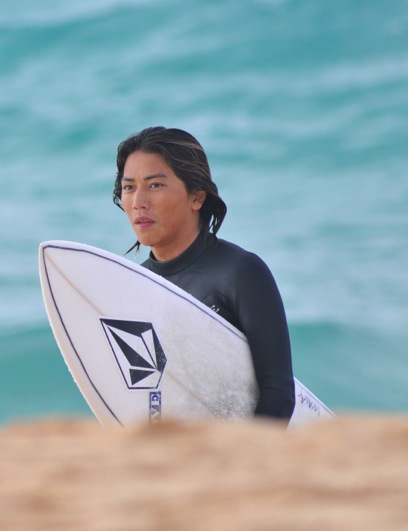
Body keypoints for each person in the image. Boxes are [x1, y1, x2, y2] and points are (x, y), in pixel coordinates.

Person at [113, 126, 295, 420]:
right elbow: (141, 393)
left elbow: (278, 393)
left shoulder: (240, 273)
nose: (138, 202)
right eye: (129, 187)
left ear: (196, 197)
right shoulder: (133, 286)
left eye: (155, 185)